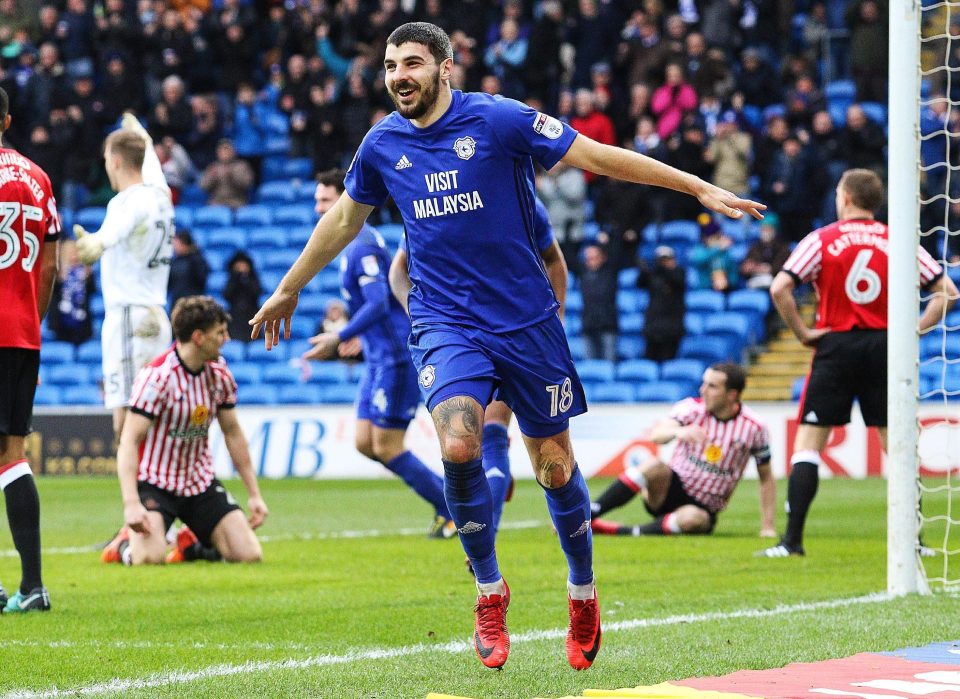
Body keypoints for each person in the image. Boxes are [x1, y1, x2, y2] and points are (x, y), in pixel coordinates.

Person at [249, 22, 763, 671]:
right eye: (389, 66)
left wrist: (697, 186)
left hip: (525, 322)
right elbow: (345, 219)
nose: (399, 75)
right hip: (445, 322)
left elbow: (598, 155)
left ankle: (582, 590)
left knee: (553, 468)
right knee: (458, 443)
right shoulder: (382, 145)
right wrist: (291, 286)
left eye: (412, 62)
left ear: (445, 65)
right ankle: (489, 591)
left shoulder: (500, 121)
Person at [758, 169, 957, 557]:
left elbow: (780, 286)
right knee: (897, 444)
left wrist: (801, 332)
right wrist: (914, 330)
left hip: (836, 344)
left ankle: (792, 541)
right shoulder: (897, 240)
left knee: (809, 444)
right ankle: (914, 543)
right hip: (885, 347)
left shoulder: (822, 239)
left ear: (845, 198)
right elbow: (947, 292)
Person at [389, 196, 569, 544]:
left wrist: (557, 320)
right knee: (473, 440)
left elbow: (554, 261)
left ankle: (488, 532)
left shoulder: (525, 202)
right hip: (459, 340)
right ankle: (484, 539)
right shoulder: (436, 200)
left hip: (516, 333)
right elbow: (398, 268)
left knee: (507, 438)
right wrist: (422, 319)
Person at [304, 168, 455, 539]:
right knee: (363, 443)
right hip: (376, 358)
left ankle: (454, 509)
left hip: (396, 359)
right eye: (317, 201)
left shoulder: (362, 245)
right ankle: (451, 500)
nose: (319, 208)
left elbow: (378, 301)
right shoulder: (347, 245)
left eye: (325, 200)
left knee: (386, 446)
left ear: (344, 200)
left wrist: (341, 337)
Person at [101, 296, 268, 566]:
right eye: (220, 333)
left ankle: (190, 545)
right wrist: (131, 502)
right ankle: (122, 545)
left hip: (198, 482)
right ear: (199, 337)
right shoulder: (157, 378)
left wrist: (254, 495)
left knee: (249, 554)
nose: (226, 339)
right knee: (148, 559)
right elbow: (130, 441)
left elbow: (233, 433)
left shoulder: (219, 375)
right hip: (156, 483)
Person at [73, 113, 175, 439]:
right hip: (156, 315)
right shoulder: (161, 195)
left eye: (106, 159)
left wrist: (95, 243)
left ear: (115, 161)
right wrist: (141, 134)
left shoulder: (126, 203)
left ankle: (136, 492)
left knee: (127, 420)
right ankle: (158, 488)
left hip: (129, 318)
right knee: (154, 414)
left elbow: (114, 232)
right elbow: (151, 164)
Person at [590, 363, 776, 538]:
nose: (703, 390)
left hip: (703, 507)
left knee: (692, 519)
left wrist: (768, 527)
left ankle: (620, 531)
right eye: (704, 383)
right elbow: (657, 435)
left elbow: (766, 476)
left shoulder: (754, 427)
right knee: (653, 465)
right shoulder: (692, 408)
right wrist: (680, 431)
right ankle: (587, 515)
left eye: (712, 386)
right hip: (668, 489)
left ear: (732, 395)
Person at [0, 85, 59, 613]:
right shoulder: (38, 179)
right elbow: (52, 266)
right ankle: (32, 586)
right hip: (21, 332)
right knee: (13, 455)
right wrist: (30, 325)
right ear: (8, 120)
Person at [638, 245, 687, 362]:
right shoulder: (654, 275)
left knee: (668, 361)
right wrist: (644, 271)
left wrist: (663, 269)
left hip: (672, 328)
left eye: (667, 259)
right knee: (650, 361)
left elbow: (678, 281)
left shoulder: (679, 272)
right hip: (654, 326)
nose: (664, 263)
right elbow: (640, 283)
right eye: (661, 260)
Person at [223, 251, 261, 343]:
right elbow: (227, 295)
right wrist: (236, 278)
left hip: (251, 315)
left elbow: (257, 293)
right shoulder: (231, 279)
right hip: (235, 317)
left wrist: (246, 280)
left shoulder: (253, 278)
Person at [168, 228, 209, 309]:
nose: (174, 247)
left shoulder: (198, 260)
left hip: (194, 304)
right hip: (177, 303)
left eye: (177, 243)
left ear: (184, 244)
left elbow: (201, 280)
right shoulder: (175, 262)